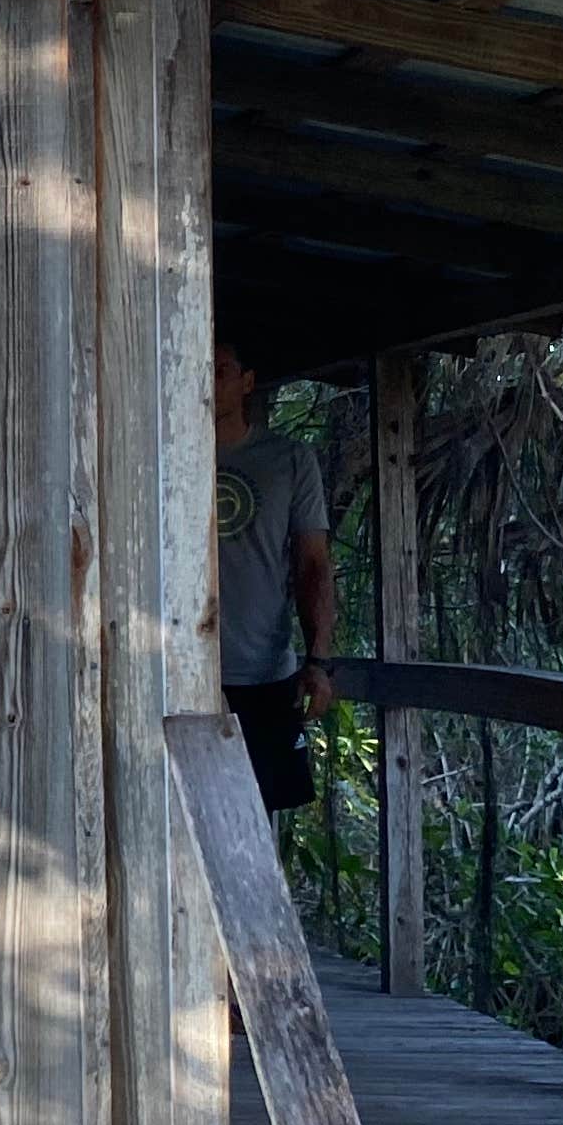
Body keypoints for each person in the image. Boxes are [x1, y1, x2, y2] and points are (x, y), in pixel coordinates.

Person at [215, 343, 339, 814]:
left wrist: (319, 661)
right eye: (201, 370)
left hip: (263, 671)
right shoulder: (163, 456)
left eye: (222, 371)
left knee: (261, 812)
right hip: (177, 671)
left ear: (247, 381)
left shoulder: (288, 459)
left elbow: (313, 564)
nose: (210, 383)